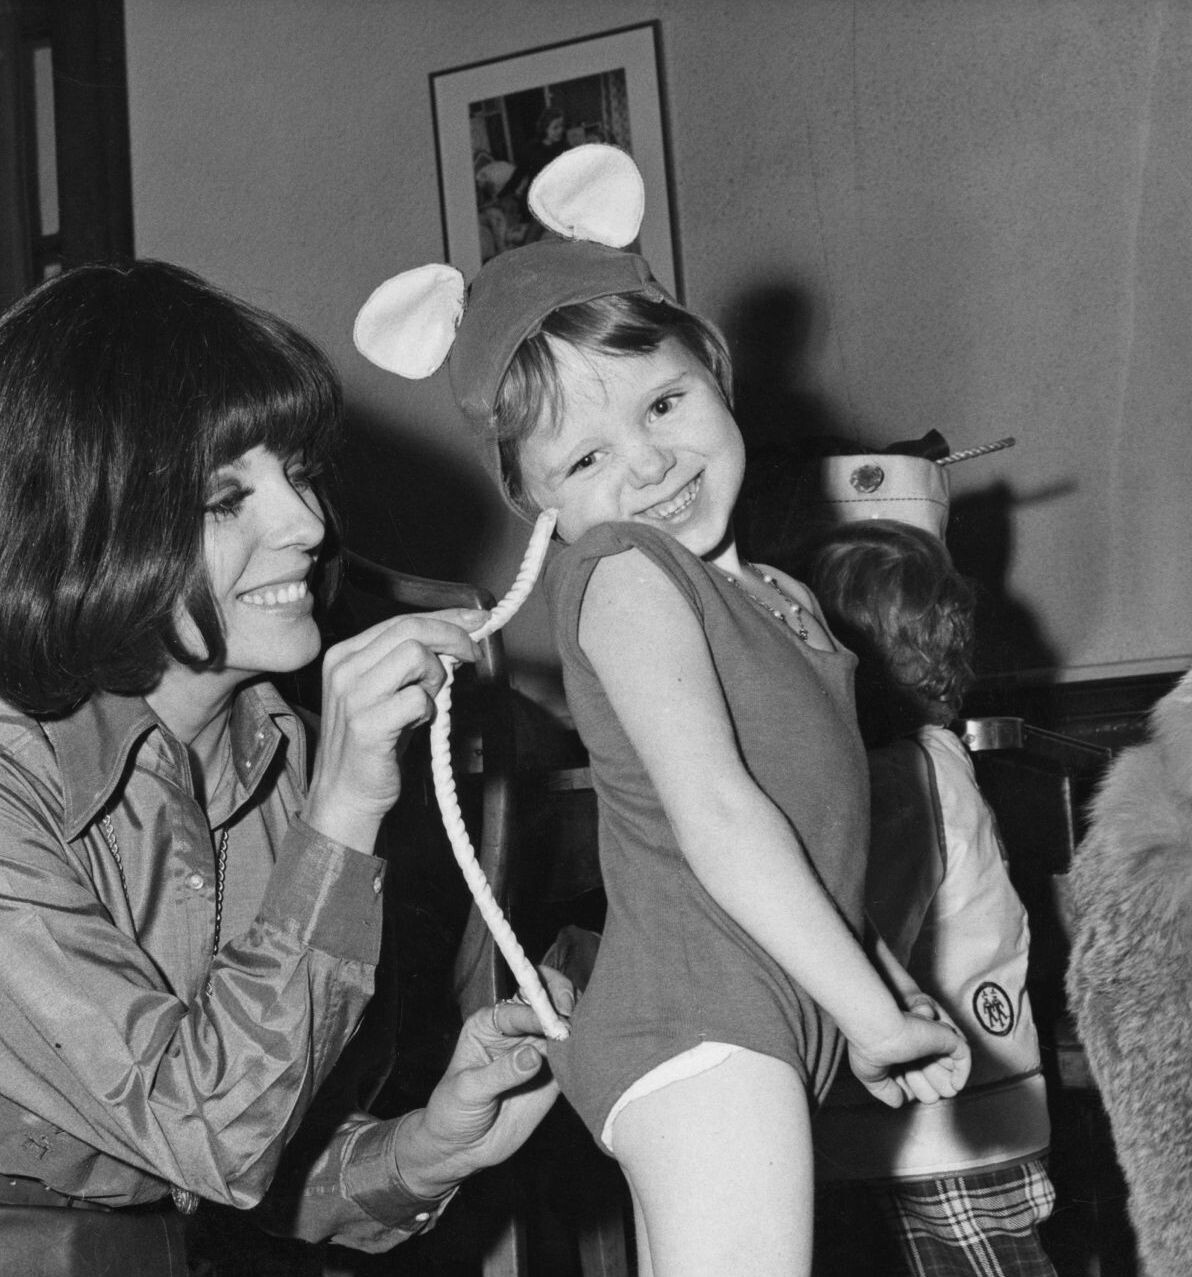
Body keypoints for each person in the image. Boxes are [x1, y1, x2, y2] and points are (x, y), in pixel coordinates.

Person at [0, 260, 571, 1277]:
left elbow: (248, 1147)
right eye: (224, 497)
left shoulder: (283, 757)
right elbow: (212, 1128)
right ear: (84, 530)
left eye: (298, 472)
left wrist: (425, 1146)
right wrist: (342, 809)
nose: (308, 524)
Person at [352, 146, 971, 1275]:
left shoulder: (781, 600)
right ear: (538, 503)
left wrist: (879, 980)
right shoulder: (626, 573)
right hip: (696, 1020)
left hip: (747, 1020)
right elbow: (719, 815)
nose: (645, 464)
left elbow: (808, 838)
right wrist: (870, 1017)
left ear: (715, 370)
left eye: (664, 402)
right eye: (587, 456)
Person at [807, 517, 1055, 1277]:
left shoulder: (896, 779)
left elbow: (861, 938)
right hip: (975, 1115)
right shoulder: (938, 757)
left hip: (930, 1135)